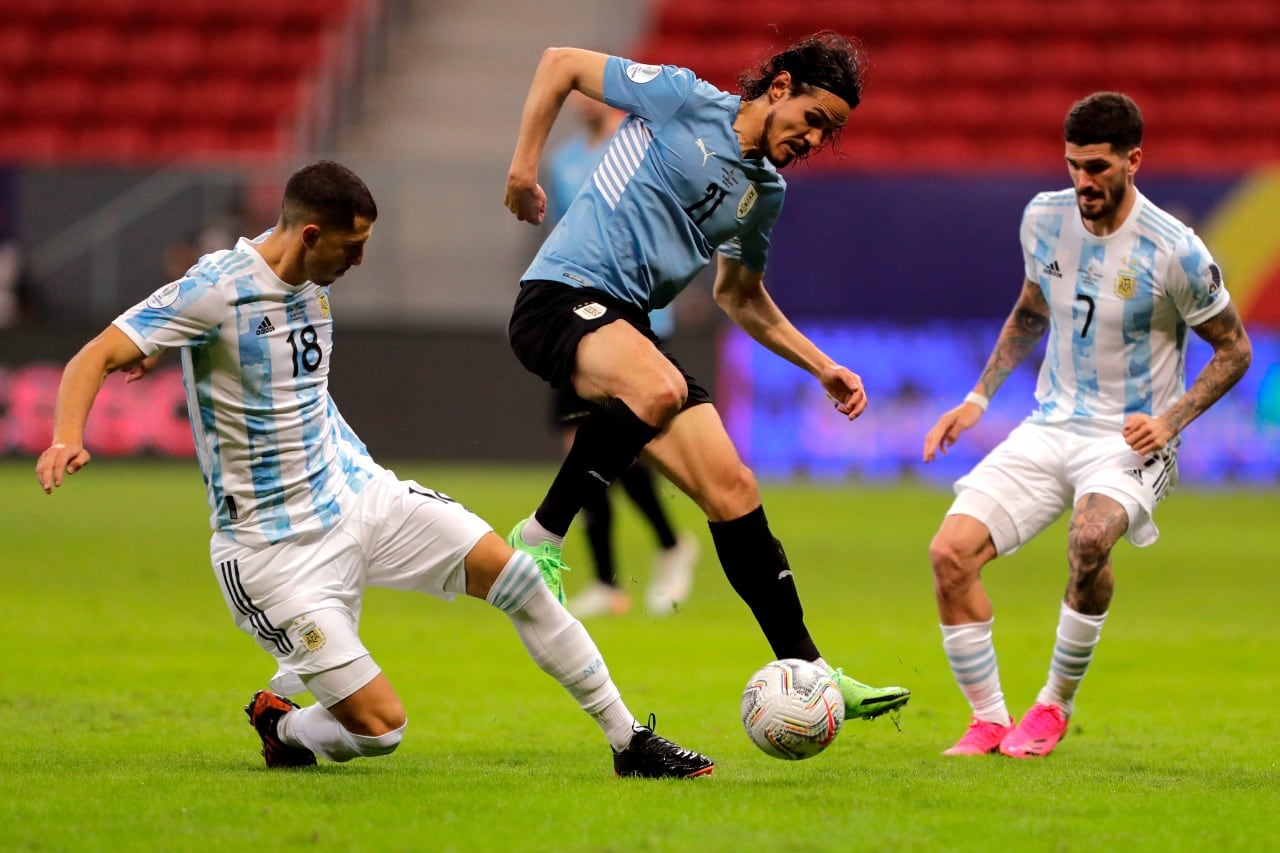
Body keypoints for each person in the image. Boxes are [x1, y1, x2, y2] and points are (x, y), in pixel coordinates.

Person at [34, 160, 713, 779]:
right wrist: (67, 436)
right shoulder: (216, 289)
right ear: (309, 235)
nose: (360, 260)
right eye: (351, 245)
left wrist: (167, 345)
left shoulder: (306, 270)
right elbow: (93, 355)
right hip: (272, 550)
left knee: (519, 577)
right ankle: (284, 725)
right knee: (381, 731)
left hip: (360, 495)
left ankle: (629, 742)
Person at [502, 32, 911, 721]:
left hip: (626, 324)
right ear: (779, 87)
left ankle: (813, 671)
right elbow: (559, 63)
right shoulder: (685, 99)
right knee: (657, 388)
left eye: (830, 133)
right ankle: (540, 537)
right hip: (558, 296)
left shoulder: (764, 193)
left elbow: (739, 296)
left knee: (734, 489)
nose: (815, 139)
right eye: (813, 118)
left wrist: (822, 366)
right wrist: (523, 170)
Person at [923, 92, 1252, 758]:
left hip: (1129, 437)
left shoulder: (1175, 249)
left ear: (1134, 160)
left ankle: (1053, 705)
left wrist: (1170, 421)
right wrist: (978, 398)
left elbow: (1235, 349)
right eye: (1073, 165)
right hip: (1051, 424)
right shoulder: (1043, 218)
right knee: (949, 554)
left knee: (1090, 537)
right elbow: (1029, 312)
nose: (1082, 181)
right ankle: (988, 720)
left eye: (1097, 167)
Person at [544, 92, 700, 619]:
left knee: (626, 449)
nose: (583, 99)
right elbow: (563, 237)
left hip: (632, 319)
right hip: (577, 318)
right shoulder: (564, 161)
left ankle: (671, 544)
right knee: (578, 445)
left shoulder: (639, 149)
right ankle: (607, 582)